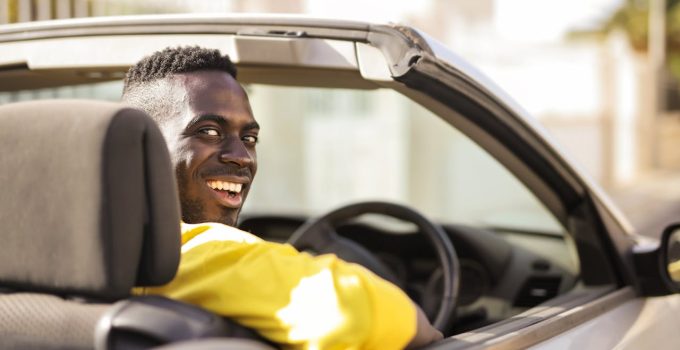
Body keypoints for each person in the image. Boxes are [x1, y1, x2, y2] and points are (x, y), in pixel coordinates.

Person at [122, 46, 442, 349]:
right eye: (208, 131)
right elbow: (365, 316)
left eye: (249, 138)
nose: (242, 157)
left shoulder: (95, 253)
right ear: (142, 148)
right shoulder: (198, 253)